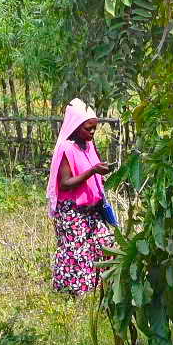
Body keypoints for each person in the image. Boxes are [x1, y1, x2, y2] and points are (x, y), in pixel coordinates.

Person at [48, 101, 114, 297]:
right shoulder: (66, 149)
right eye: (89, 128)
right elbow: (66, 182)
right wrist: (92, 170)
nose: (93, 132)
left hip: (92, 209)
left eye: (94, 128)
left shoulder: (88, 145)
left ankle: (97, 288)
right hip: (71, 211)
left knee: (105, 242)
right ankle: (72, 293)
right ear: (76, 127)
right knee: (76, 252)